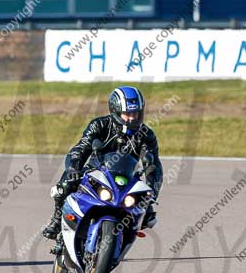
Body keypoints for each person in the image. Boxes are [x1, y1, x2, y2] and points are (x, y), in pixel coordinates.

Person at [42, 86, 163, 247]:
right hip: (96, 172)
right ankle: (57, 219)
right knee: (66, 185)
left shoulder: (146, 135)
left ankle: (121, 240)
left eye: (135, 114)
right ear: (115, 111)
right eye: (127, 114)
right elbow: (79, 149)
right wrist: (73, 169)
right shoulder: (99, 125)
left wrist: (152, 190)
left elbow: (153, 165)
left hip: (126, 180)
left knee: (147, 215)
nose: (131, 118)